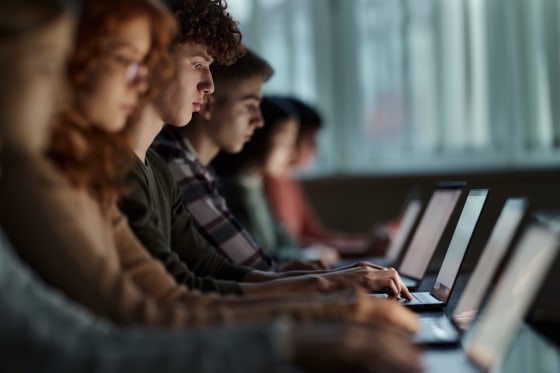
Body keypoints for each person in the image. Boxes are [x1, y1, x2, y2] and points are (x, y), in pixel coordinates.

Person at [0, 1, 423, 371]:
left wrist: (326, 305)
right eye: (50, 65)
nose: (142, 80)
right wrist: (309, 322)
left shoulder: (108, 173)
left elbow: (177, 292)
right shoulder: (35, 177)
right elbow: (134, 317)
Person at [119, 0, 413, 299]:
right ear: (153, 62)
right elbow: (180, 288)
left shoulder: (156, 166)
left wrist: (333, 279)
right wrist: (323, 284)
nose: (208, 85)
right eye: (198, 65)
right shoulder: (135, 167)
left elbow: (212, 267)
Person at [153, 48, 327, 271]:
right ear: (208, 105)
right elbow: (257, 268)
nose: (259, 121)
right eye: (248, 106)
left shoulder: (201, 170)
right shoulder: (176, 162)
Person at [263, 96, 392, 257]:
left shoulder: (289, 180)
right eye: (310, 140)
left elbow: (314, 234)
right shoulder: (266, 184)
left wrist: (364, 242)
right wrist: (362, 248)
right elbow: (295, 244)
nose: (315, 149)